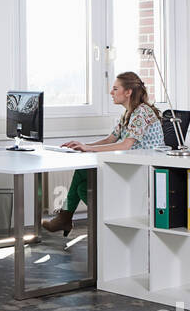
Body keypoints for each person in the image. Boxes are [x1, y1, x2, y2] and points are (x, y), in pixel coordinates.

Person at [41, 71, 164, 236]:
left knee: (83, 175)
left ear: (128, 92)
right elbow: (111, 139)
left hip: (142, 169)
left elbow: (126, 145)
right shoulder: (129, 112)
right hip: (130, 164)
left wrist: (89, 149)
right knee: (83, 187)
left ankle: (70, 217)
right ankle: (81, 217)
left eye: (115, 89)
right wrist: (83, 145)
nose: (111, 93)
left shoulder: (141, 112)